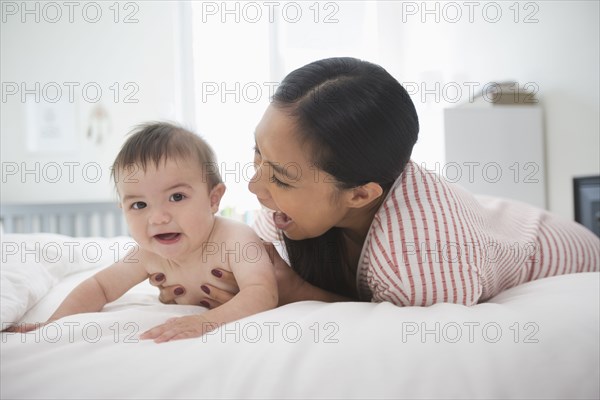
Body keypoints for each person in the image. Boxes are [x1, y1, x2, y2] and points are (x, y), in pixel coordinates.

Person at [154, 57, 600, 308]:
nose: (254, 187)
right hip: (490, 214)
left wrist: (299, 292)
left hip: (563, 245)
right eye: (258, 155)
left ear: (361, 194)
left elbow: (415, 336)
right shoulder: (286, 216)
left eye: (283, 178)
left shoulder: (423, 260)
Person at [10, 122, 277, 342]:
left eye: (177, 197)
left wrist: (205, 322)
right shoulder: (147, 254)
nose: (158, 218)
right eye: (139, 204)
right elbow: (99, 286)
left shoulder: (235, 239)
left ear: (213, 199)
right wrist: (54, 324)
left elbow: (262, 291)